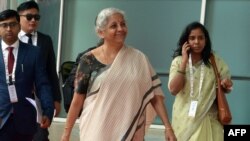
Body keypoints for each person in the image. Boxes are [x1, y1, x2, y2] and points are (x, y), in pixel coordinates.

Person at [61, 7, 176, 141]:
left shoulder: (139, 59)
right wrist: (66, 133)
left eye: (123, 24)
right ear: (101, 32)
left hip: (130, 131)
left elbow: (155, 96)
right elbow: (77, 100)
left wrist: (168, 127)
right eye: (114, 26)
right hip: (96, 129)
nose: (120, 29)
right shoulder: (88, 60)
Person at [168, 21, 233, 141]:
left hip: (209, 118)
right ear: (186, 41)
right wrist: (184, 62)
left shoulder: (214, 61)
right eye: (192, 38)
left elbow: (227, 85)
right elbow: (173, 89)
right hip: (184, 120)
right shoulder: (178, 62)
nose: (197, 42)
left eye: (200, 38)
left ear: (206, 40)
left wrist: (226, 83)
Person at [0, 9, 54, 141]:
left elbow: (42, 84)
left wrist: (48, 110)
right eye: (4, 25)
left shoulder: (34, 52)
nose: (8, 29)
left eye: (12, 24)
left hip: (24, 119)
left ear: (19, 26)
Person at [17, 1, 62, 141]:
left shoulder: (45, 40)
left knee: (40, 135)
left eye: (36, 17)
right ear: (19, 17)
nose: (33, 21)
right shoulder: (11, 40)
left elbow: (51, 71)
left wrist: (56, 98)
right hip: (17, 98)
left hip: (40, 98)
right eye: (29, 17)